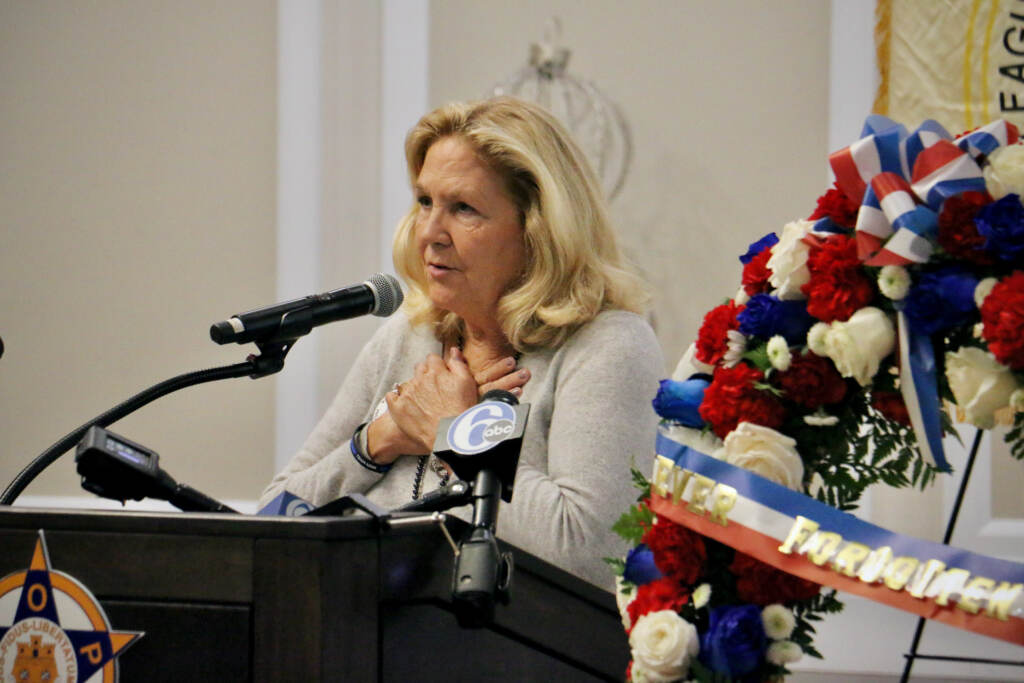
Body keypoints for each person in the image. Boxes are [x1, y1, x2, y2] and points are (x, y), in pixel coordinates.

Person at [259, 96, 663, 589]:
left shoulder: (608, 346)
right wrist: (378, 440)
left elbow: (590, 553)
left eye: (464, 208)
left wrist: (455, 432)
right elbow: (274, 518)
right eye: (425, 201)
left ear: (539, 228)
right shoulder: (410, 337)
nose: (429, 231)